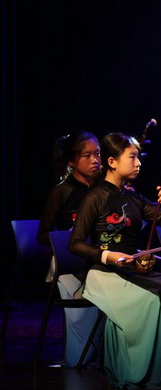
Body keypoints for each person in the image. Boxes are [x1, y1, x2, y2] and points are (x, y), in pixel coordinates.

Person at [68, 133, 161, 388]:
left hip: (130, 270)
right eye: (132, 157)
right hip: (103, 273)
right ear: (112, 162)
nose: (138, 163)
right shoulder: (95, 198)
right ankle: (142, 368)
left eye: (138, 157)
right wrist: (108, 255)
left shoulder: (133, 197)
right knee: (159, 293)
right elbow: (74, 244)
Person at [37, 131, 102, 367]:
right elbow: (43, 234)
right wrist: (72, 238)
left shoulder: (103, 190)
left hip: (99, 259)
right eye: (87, 155)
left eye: (98, 154)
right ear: (72, 161)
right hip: (70, 262)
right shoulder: (61, 192)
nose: (95, 160)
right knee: (82, 316)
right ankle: (80, 361)